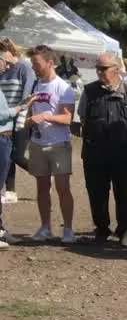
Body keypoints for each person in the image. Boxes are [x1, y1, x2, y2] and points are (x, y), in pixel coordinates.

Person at [79, 52, 127, 246]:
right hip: (95, 152)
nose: (99, 72)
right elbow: (82, 117)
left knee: (124, 192)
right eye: (97, 68)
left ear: (117, 69)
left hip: (122, 153)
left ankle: (125, 230)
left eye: (103, 68)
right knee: (97, 192)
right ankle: (102, 229)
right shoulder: (89, 92)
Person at [25, 45, 78, 243]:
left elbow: (67, 119)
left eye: (37, 64)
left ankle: (69, 230)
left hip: (59, 144)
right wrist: (29, 114)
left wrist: (46, 117)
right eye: (32, 64)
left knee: (63, 187)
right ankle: (45, 227)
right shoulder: (37, 85)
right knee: (41, 187)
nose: (34, 68)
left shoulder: (63, 87)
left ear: (50, 63)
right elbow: (34, 111)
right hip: (38, 143)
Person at [1, 39, 35, 207]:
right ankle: (10, 191)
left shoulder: (24, 68)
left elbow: (27, 95)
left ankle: (42, 174)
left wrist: (20, 119)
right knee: (7, 156)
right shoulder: (2, 69)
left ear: (9, 51)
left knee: (17, 155)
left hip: (21, 118)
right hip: (5, 119)